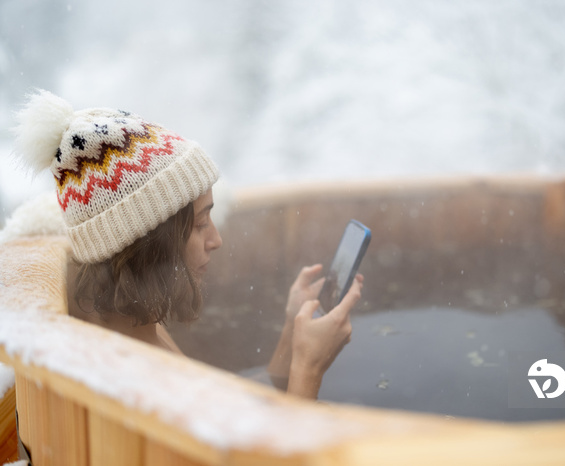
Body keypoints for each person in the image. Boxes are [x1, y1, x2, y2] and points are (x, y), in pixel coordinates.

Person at [12, 90, 362, 400]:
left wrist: (291, 335)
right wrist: (309, 367)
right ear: (150, 244)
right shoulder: (139, 375)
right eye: (199, 224)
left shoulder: (134, 322)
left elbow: (232, 415)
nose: (216, 240)